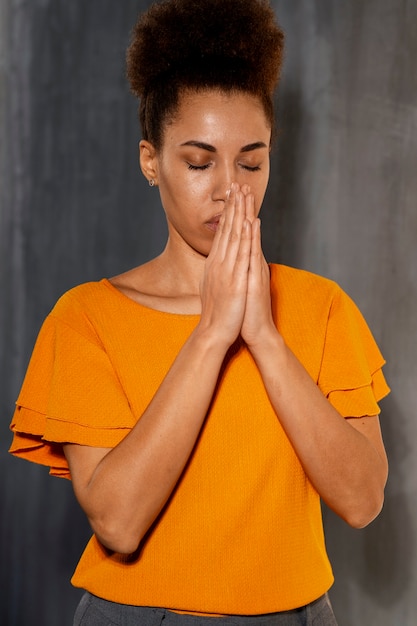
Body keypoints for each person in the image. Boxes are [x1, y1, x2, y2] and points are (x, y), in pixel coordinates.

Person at [9, 1, 390, 624]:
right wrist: (213, 333)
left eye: (251, 161)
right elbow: (119, 523)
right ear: (150, 161)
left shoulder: (323, 309)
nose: (228, 189)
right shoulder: (86, 319)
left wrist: (264, 336)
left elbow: (362, 500)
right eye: (197, 161)